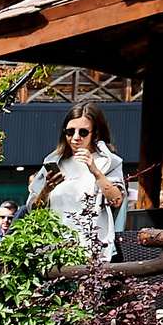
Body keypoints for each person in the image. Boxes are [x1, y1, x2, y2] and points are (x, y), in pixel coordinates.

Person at [26, 102, 128, 262]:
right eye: (70, 131)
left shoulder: (107, 161)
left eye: (83, 132)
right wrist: (46, 190)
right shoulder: (54, 161)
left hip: (93, 251)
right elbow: (34, 211)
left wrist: (95, 171)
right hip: (56, 251)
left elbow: (116, 200)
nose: (75, 137)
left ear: (95, 134)